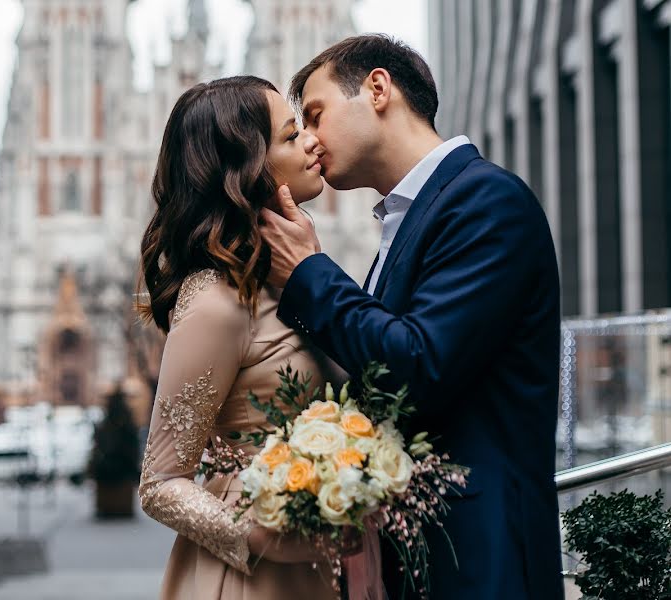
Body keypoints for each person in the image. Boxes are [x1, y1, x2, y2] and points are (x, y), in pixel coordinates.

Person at [258, 34, 564, 599]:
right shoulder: (411, 218)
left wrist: (308, 272)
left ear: (378, 89)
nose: (309, 140)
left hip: (480, 567)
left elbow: (417, 364)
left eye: (317, 115)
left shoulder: (486, 202)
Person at [137, 75, 382, 600]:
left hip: (324, 569)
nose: (313, 142)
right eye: (292, 136)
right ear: (247, 170)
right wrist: (265, 538)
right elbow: (160, 484)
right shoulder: (216, 300)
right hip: (255, 578)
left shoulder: (293, 273)